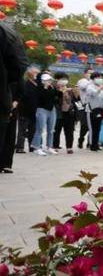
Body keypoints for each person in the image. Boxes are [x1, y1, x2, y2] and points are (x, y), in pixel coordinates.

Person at [0, 21, 28, 173]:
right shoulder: (7, 32)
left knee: (10, 135)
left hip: (10, 100)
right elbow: (19, 65)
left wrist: (15, 101)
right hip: (3, 96)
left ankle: (5, 163)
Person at [30, 72, 59, 156]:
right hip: (42, 110)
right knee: (40, 129)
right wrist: (45, 88)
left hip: (52, 110)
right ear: (43, 81)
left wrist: (58, 91)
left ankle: (49, 147)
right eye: (48, 80)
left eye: (50, 80)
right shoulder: (39, 88)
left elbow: (55, 99)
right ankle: (36, 147)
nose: (50, 81)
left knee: (51, 130)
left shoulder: (52, 88)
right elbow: (42, 98)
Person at [15, 65, 38, 153]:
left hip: (34, 111)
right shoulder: (25, 84)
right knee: (22, 130)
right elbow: (22, 97)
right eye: (36, 73)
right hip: (24, 111)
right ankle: (19, 147)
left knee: (33, 130)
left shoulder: (37, 84)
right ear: (31, 74)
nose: (37, 75)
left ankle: (31, 146)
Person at [82, 73, 103, 152]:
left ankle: (96, 144)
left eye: (100, 78)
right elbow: (94, 94)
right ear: (93, 79)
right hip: (91, 110)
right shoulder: (89, 87)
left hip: (99, 110)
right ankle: (91, 145)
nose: (100, 79)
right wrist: (102, 87)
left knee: (98, 128)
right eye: (98, 77)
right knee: (92, 128)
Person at [52, 73, 77, 154]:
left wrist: (74, 92)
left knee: (69, 131)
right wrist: (61, 92)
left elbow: (74, 101)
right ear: (57, 80)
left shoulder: (70, 89)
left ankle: (69, 147)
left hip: (69, 113)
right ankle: (55, 146)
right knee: (56, 131)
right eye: (62, 79)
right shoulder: (53, 89)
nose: (64, 81)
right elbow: (54, 100)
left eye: (65, 79)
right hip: (58, 113)